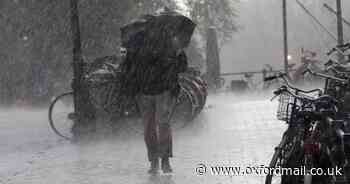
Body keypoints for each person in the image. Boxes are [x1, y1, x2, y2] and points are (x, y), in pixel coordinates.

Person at [119, 21, 188, 174]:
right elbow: (182, 67)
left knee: (149, 128)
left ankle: (154, 162)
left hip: (144, 91)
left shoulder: (135, 42)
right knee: (163, 125)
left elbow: (127, 69)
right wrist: (179, 54)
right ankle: (164, 161)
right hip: (162, 90)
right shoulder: (169, 41)